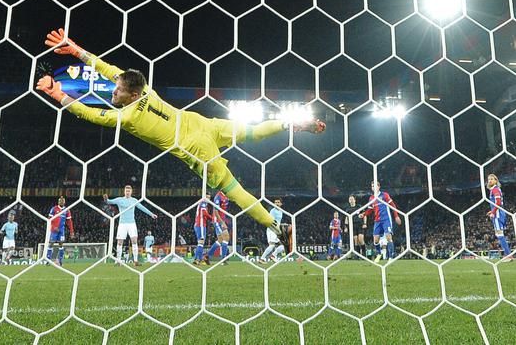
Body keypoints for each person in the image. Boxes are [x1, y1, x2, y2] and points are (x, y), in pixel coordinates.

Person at [37, 28, 323, 256]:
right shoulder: (143, 88)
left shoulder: (128, 117)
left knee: (234, 190)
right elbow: (108, 68)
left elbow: (90, 114)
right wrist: (75, 50)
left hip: (196, 149)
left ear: (132, 96)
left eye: (119, 91)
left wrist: (58, 95)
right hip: (201, 123)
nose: (114, 92)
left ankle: (278, 226)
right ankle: (290, 123)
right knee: (253, 131)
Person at [104, 185, 155, 265]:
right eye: (126, 191)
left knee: (134, 241)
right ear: (124, 192)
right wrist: (106, 199)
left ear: (131, 192)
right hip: (122, 224)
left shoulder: (134, 200)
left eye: (129, 191)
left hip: (131, 223)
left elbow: (142, 208)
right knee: (120, 242)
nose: (127, 192)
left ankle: (135, 261)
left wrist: (151, 214)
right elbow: (110, 202)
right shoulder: (119, 200)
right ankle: (118, 261)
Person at [362, 181, 401, 261]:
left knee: (388, 237)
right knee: (375, 240)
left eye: (375, 186)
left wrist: (396, 216)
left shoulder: (385, 195)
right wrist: (364, 214)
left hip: (386, 219)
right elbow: (370, 210)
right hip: (377, 221)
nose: (373, 187)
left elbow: (393, 205)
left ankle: (390, 257)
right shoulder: (371, 198)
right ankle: (379, 254)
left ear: (379, 187)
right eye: (372, 186)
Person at [486, 174, 514, 263]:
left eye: (492, 179)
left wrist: (493, 212)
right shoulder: (493, 190)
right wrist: (491, 211)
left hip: (498, 214)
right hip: (498, 213)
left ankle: (508, 255)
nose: (490, 180)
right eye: (488, 179)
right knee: (499, 234)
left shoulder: (495, 189)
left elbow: (498, 202)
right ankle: (508, 254)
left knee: (499, 234)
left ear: (496, 180)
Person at [46, 195, 74, 266]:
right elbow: (49, 219)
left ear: (64, 202)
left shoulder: (67, 210)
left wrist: (71, 231)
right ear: (58, 202)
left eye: (63, 201)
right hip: (54, 230)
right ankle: (48, 260)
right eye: (60, 200)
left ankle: (60, 261)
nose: (62, 201)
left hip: (61, 230)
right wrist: (54, 226)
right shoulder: (54, 209)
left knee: (61, 244)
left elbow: (69, 221)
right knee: (51, 243)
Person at [207, 190, 231, 262]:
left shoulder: (227, 195)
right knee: (226, 237)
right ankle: (223, 259)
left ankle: (207, 256)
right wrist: (222, 222)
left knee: (220, 240)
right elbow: (216, 212)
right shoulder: (218, 197)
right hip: (217, 220)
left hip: (222, 219)